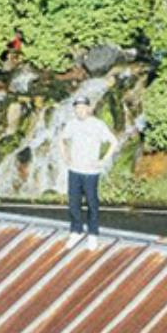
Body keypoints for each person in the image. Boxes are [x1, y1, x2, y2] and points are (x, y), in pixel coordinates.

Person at [59, 97, 118, 235]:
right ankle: (76, 230)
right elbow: (61, 139)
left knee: (92, 203)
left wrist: (103, 160)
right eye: (77, 108)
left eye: (82, 107)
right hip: (74, 170)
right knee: (74, 203)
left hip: (91, 172)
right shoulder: (71, 124)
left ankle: (93, 232)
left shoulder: (98, 125)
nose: (80, 110)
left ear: (89, 108)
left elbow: (114, 142)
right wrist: (65, 157)